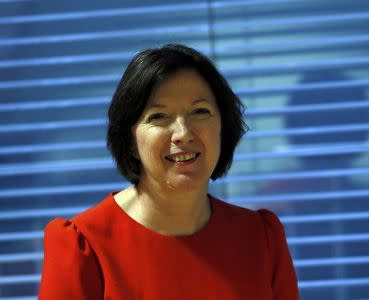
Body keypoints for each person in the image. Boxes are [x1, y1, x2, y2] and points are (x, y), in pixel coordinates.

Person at [38, 44, 300, 299]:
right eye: (158, 117)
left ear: (223, 128)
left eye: (200, 111)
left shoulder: (261, 238)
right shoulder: (83, 246)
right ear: (130, 140)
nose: (183, 134)